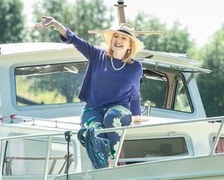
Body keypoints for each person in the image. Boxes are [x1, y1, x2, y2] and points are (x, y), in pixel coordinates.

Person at [34, 16, 144, 168]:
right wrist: (57, 25)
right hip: (94, 108)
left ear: (129, 45)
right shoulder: (97, 55)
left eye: (123, 38)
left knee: (111, 117)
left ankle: (115, 162)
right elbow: (76, 41)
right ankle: (103, 170)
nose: (118, 40)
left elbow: (135, 94)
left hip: (119, 109)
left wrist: (137, 114)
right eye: (116, 36)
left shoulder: (135, 67)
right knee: (93, 132)